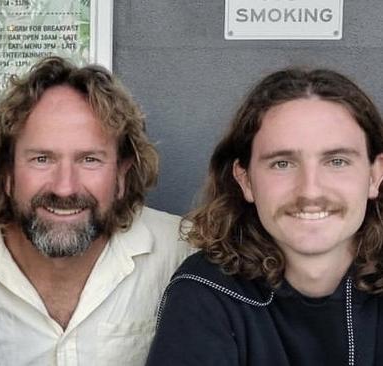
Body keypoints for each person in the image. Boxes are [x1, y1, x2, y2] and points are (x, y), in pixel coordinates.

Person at [0, 56, 191, 365]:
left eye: (90, 159)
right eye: (42, 159)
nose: (65, 188)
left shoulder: (181, 254)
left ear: (121, 175)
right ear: (7, 172)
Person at [146, 67, 383, 366]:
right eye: (282, 163)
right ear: (245, 180)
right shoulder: (204, 292)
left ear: (375, 175)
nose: (310, 191)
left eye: (336, 161)